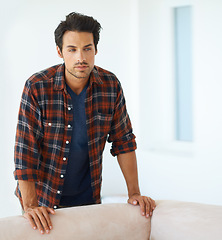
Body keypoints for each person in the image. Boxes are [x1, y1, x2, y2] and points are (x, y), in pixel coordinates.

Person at [14, 12, 156, 235]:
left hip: (88, 200)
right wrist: (30, 206)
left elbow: (124, 142)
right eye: (72, 49)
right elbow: (25, 152)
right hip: (43, 202)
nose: (81, 57)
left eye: (87, 48)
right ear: (60, 52)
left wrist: (134, 193)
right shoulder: (37, 87)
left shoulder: (110, 86)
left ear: (95, 49)